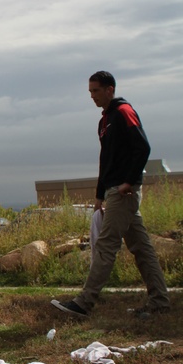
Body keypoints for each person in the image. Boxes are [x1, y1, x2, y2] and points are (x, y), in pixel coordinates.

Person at [52, 71, 170, 319]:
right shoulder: (104, 121)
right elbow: (105, 159)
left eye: (96, 91)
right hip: (112, 190)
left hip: (123, 192)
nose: (92, 96)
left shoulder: (124, 112)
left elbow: (143, 147)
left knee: (106, 245)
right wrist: (99, 194)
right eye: (90, 92)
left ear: (110, 90)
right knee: (141, 247)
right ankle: (160, 301)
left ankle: (84, 303)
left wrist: (129, 181)